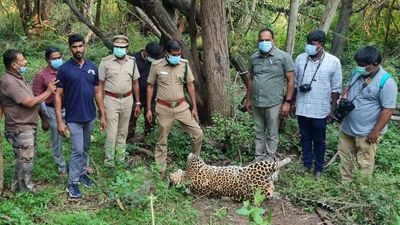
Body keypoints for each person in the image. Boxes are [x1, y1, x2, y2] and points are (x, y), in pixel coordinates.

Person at [55, 34, 106, 198]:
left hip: (89, 115)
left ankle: (83, 173)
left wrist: (102, 114)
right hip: (73, 117)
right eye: (74, 47)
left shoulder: (92, 66)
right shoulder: (64, 69)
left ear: (85, 46)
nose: (78, 49)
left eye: (80, 46)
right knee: (77, 150)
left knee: (85, 148)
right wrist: (59, 121)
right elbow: (57, 96)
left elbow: (98, 92)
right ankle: (72, 183)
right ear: (70, 49)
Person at [0, 49, 58, 192]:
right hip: (19, 127)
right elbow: (29, 102)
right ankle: (26, 189)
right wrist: (48, 92)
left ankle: (17, 187)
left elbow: (33, 100)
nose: (25, 62)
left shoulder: (18, 78)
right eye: (22, 60)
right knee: (26, 160)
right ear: (14, 64)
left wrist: (42, 118)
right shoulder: (9, 82)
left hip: (26, 126)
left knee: (24, 159)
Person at [338, 46, 397, 181]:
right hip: (347, 129)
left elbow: (388, 110)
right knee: (345, 161)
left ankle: (360, 192)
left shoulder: (387, 82)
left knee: (364, 165)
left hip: (367, 133)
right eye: (358, 65)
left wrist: (375, 132)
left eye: (363, 66)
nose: (360, 68)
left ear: (376, 64)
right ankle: (345, 188)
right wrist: (344, 97)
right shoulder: (357, 73)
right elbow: (348, 86)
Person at [146, 40, 203, 178]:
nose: (177, 56)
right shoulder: (156, 65)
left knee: (198, 134)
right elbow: (150, 86)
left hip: (182, 107)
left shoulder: (184, 65)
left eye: (179, 54)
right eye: (174, 54)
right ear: (166, 53)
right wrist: (148, 108)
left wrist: (194, 108)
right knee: (162, 141)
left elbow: (190, 85)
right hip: (163, 108)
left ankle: (194, 166)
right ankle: (160, 172)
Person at [294, 30, 342, 180]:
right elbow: (295, 83)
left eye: (312, 44)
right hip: (302, 107)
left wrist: (332, 110)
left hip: (321, 109)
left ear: (321, 45)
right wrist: (292, 103)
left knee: (319, 140)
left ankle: (319, 168)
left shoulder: (333, 61)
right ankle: (307, 164)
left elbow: (336, 89)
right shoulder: (300, 59)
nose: (309, 46)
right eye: (308, 43)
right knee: (305, 137)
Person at [245, 28, 295, 162]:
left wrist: (287, 102)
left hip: (274, 102)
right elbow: (251, 79)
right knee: (259, 132)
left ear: (273, 40)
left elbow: (291, 80)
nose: (264, 42)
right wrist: (248, 99)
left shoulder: (283, 57)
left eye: (267, 40)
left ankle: (268, 160)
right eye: (261, 40)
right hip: (257, 102)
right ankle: (258, 159)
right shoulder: (254, 58)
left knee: (272, 133)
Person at [99, 35, 141, 167]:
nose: (119, 49)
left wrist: (138, 102)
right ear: (113, 47)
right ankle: (109, 161)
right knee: (111, 132)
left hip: (128, 99)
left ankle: (120, 159)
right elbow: (100, 84)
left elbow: (135, 83)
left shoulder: (132, 62)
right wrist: (100, 106)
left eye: (122, 47)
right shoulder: (105, 62)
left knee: (123, 131)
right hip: (111, 99)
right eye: (117, 47)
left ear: (127, 48)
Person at [32, 47, 67, 175]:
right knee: (57, 138)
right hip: (51, 109)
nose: (57, 60)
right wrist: (44, 120)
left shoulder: (66, 70)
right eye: (54, 58)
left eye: (59, 57)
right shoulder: (41, 76)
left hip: (68, 108)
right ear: (47, 59)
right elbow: (37, 99)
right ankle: (61, 165)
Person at [127, 42, 163, 143]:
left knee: (150, 121)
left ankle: (149, 140)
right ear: (145, 52)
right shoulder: (133, 60)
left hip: (152, 97)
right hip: (135, 97)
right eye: (152, 57)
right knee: (131, 120)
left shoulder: (157, 60)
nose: (154, 60)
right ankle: (129, 141)